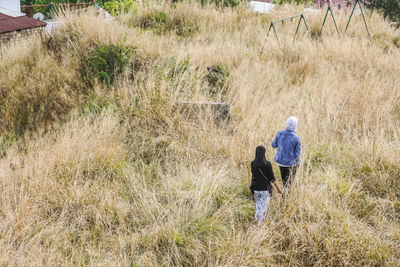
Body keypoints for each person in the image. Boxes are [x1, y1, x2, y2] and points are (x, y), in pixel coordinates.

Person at [250, 146, 283, 226]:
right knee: (264, 208)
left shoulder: (253, 163)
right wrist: (278, 188)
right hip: (265, 189)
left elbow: (253, 175)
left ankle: (256, 222)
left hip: (256, 189)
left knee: (258, 206)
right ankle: (260, 226)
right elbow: (272, 178)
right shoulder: (267, 164)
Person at [272, 116, 301, 191]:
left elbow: (273, 145)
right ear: (295, 126)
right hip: (291, 164)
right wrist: (298, 163)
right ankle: (285, 197)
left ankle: (283, 192)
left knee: (284, 179)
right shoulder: (297, 138)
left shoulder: (280, 133)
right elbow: (297, 154)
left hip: (280, 162)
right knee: (289, 182)